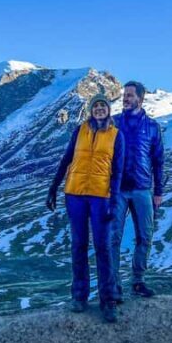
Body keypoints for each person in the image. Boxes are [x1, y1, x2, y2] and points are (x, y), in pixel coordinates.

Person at [47, 94, 125, 323]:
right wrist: (53, 187)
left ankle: (108, 300)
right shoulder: (80, 131)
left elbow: (117, 171)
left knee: (103, 247)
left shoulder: (115, 135)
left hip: (101, 196)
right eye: (96, 106)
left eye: (103, 106)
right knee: (78, 245)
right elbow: (66, 159)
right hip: (75, 194)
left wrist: (114, 199)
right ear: (91, 110)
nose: (99, 108)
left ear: (109, 110)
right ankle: (79, 297)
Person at [110, 81, 165, 301]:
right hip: (118, 190)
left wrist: (158, 191)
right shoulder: (113, 123)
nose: (125, 98)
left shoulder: (152, 127)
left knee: (145, 236)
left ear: (141, 99)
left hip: (143, 190)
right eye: (124, 95)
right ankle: (113, 285)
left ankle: (138, 281)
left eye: (130, 95)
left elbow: (158, 160)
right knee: (113, 237)